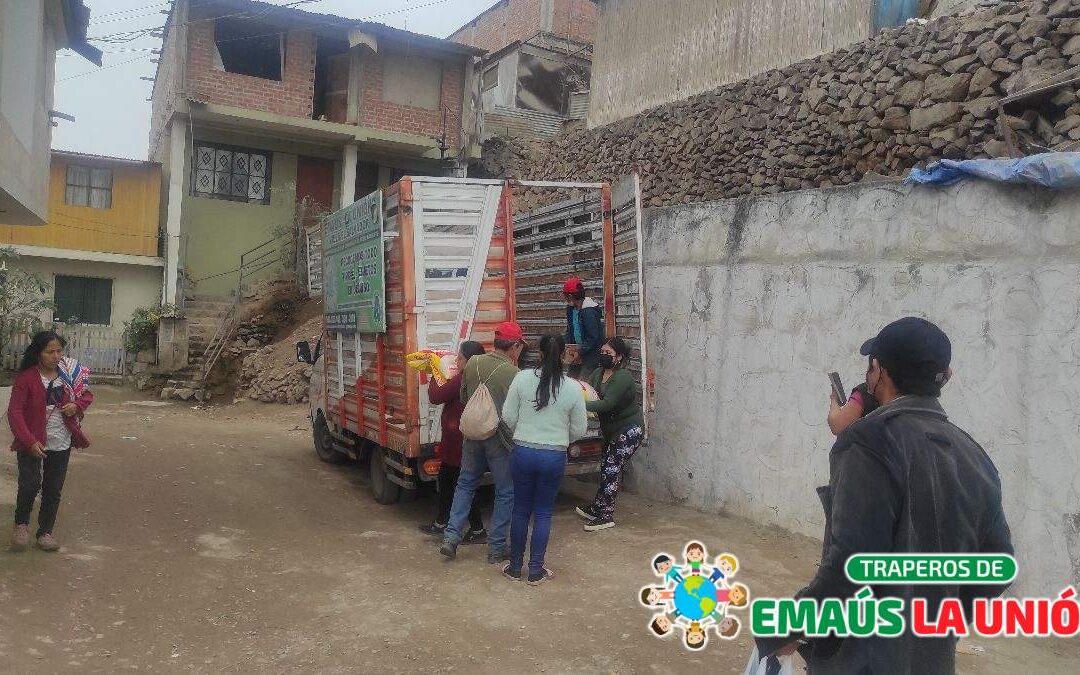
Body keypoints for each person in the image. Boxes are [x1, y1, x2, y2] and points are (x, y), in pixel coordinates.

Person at [768, 318, 1013, 673]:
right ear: (946, 376)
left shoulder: (868, 442)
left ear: (879, 372)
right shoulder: (973, 453)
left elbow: (852, 563)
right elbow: (998, 565)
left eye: (872, 365)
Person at [500, 334, 587, 585]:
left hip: (523, 452)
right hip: (553, 455)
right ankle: (536, 571)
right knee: (543, 513)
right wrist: (560, 438)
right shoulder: (572, 387)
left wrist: (524, 431)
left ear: (538, 353)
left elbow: (508, 415)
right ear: (563, 355)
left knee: (520, 510)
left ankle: (515, 567)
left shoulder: (522, 378)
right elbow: (579, 429)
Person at [439, 322, 527, 564]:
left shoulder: (474, 362)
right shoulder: (514, 374)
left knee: (465, 484)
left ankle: (451, 538)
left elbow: (464, 397)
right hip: (499, 439)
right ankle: (496, 548)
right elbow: (514, 413)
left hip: (472, 435)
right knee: (505, 492)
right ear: (515, 346)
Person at [7, 331, 93, 552]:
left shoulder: (69, 375)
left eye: (59, 351)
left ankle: (45, 532)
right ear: (38, 353)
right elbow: (15, 413)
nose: (56, 356)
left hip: (61, 440)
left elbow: (86, 395)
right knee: (29, 483)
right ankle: (21, 524)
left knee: (53, 488)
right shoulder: (26, 378)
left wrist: (77, 406)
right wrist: (28, 441)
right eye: (50, 351)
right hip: (32, 441)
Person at [419, 341, 488, 543]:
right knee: (451, 481)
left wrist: (435, 371)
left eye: (459, 358)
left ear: (469, 361)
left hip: (458, 441)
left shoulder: (461, 379)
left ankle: (476, 529)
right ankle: (444, 522)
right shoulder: (482, 376)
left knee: (462, 485)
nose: (456, 361)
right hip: (467, 439)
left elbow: (435, 396)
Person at [574, 337, 644, 531]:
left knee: (611, 469)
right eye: (602, 352)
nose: (604, 356)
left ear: (619, 357)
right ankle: (598, 507)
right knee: (606, 467)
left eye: (609, 354)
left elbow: (606, 404)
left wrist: (577, 405)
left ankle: (605, 515)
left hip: (628, 430)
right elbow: (587, 391)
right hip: (611, 431)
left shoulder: (623, 378)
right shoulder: (598, 373)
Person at [562, 276, 605, 377]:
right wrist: (566, 347)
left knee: (584, 383)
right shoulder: (571, 309)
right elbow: (570, 330)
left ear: (570, 296)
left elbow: (593, 336)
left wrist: (580, 351)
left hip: (590, 356)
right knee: (571, 381)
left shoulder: (588, 311)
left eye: (565, 296)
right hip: (577, 353)